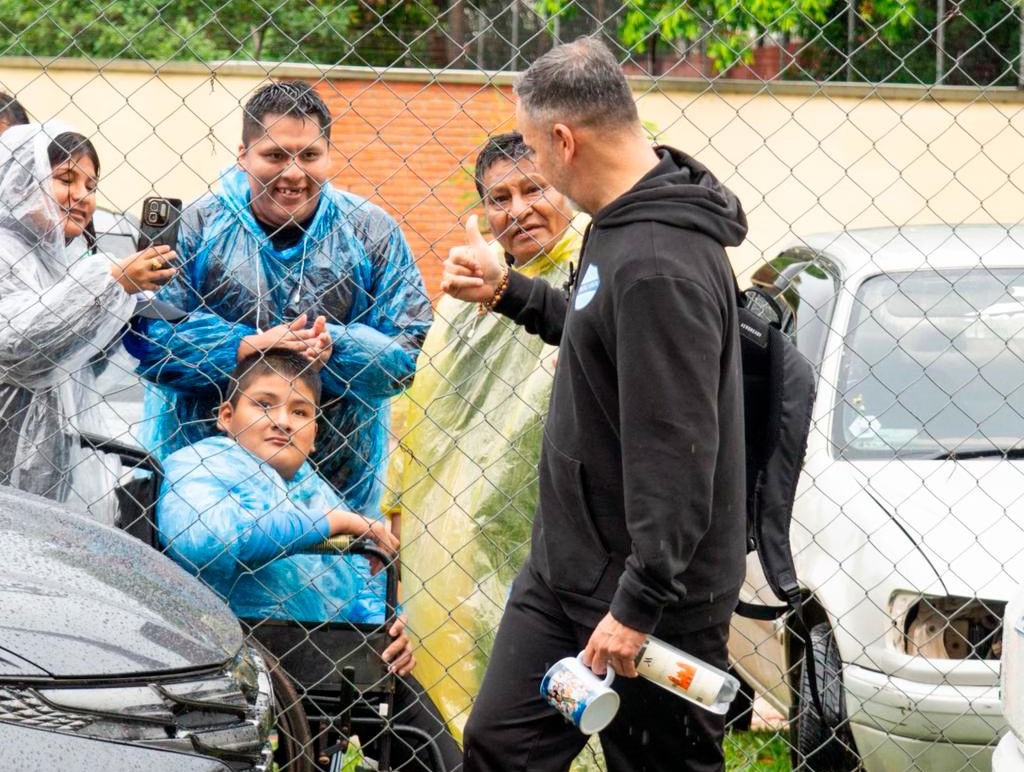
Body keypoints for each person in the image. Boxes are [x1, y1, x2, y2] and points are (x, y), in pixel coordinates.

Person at [441, 38, 748, 772]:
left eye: (534, 154)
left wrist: (637, 608)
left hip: (649, 595)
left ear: (563, 140)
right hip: (569, 567)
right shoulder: (621, 223)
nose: (534, 173)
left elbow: (680, 453)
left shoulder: (656, 266)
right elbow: (598, 332)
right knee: (501, 744)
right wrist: (509, 291)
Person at [132, 80, 432, 520]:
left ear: (329, 154)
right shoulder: (198, 225)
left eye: (309, 155)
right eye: (275, 155)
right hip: (206, 484)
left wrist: (336, 348)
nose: (293, 173)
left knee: (326, 583)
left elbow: (412, 351)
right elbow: (150, 338)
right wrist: (249, 346)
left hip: (336, 480)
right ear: (243, 154)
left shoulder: (370, 231)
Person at [157, 348, 462, 771]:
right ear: (226, 416)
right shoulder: (199, 465)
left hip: (326, 656)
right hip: (236, 646)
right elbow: (205, 540)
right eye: (264, 404)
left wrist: (389, 627)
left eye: (300, 412)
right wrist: (332, 522)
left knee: (429, 737)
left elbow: (358, 582)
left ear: (315, 432)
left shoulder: (311, 486)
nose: (283, 421)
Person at [384, 131, 585, 737]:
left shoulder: (592, 271)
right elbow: (421, 405)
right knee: (462, 667)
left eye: (533, 188)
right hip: (456, 521)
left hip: (556, 522)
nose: (518, 209)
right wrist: (397, 504)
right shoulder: (465, 292)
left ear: (566, 187)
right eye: (499, 197)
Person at [0, 122, 176, 521]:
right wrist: (109, 281)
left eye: (91, 186)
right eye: (65, 179)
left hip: (47, 470)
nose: (81, 196)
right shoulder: (6, 250)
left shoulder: (63, 263)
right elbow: (16, 344)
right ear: (20, 180)